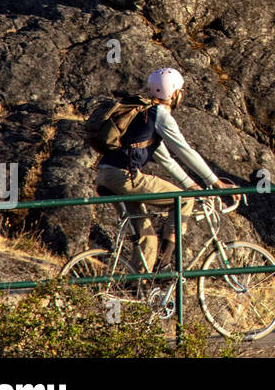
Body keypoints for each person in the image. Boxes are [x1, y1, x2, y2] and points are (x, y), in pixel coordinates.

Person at [94, 67, 233, 271]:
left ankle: (136, 290)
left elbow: (165, 159)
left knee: (147, 242)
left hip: (106, 174)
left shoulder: (143, 115)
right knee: (184, 200)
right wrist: (215, 182)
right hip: (125, 177)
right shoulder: (159, 115)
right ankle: (167, 264)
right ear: (175, 93)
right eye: (181, 91)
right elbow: (184, 150)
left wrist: (191, 184)